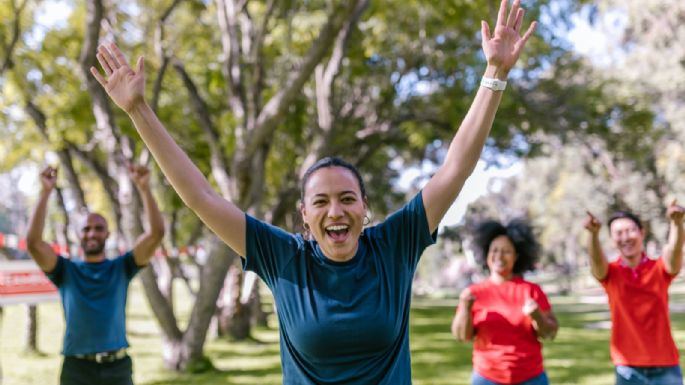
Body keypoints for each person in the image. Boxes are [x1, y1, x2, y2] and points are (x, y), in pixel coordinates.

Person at [90, 0, 537, 382]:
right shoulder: (283, 258)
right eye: (320, 201)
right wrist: (138, 111)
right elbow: (200, 197)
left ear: (365, 208)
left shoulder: (394, 247)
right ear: (304, 215)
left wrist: (494, 74)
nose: (335, 210)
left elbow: (455, 169)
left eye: (347, 198)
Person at [26, 165, 165, 385]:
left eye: (98, 228)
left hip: (117, 368)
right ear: (79, 234)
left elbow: (156, 234)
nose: (92, 233)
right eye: (86, 229)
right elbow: (34, 243)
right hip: (77, 369)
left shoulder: (122, 267)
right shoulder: (65, 271)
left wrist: (145, 189)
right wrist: (45, 192)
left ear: (107, 234)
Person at [584, 203, 684, 385]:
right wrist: (593, 234)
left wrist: (676, 224)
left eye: (630, 231)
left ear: (641, 233)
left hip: (665, 365)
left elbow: (674, 254)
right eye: (618, 233)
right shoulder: (611, 274)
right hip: (627, 367)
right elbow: (597, 263)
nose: (625, 238)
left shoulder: (659, 268)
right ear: (612, 239)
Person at [451, 219, 558, 385]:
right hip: (487, 378)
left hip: (530, 377)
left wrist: (537, 316)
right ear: (486, 254)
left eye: (506, 251)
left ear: (516, 257)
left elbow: (550, 333)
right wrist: (465, 308)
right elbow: (461, 336)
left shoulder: (531, 290)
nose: (499, 256)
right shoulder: (473, 293)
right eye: (494, 250)